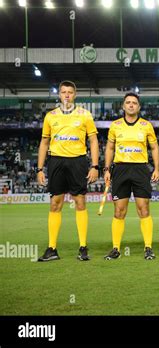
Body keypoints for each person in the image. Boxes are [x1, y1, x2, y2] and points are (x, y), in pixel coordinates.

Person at [37, 80, 99, 261]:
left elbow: (93, 141)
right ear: (59, 95)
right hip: (56, 161)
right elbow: (44, 143)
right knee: (55, 203)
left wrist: (94, 166)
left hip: (78, 161)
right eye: (63, 92)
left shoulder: (85, 115)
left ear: (75, 94)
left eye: (70, 92)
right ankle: (52, 249)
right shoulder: (50, 116)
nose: (66, 95)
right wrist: (40, 169)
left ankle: (82, 247)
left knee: (80, 202)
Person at [103, 93, 159, 260]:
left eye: (134, 103)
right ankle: (115, 249)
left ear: (139, 107)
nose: (131, 105)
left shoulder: (146, 125)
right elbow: (110, 148)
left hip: (140, 170)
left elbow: (155, 148)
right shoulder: (115, 125)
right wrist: (106, 169)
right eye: (128, 102)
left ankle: (148, 248)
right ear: (123, 106)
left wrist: (156, 168)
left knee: (144, 209)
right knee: (119, 211)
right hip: (120, 169)